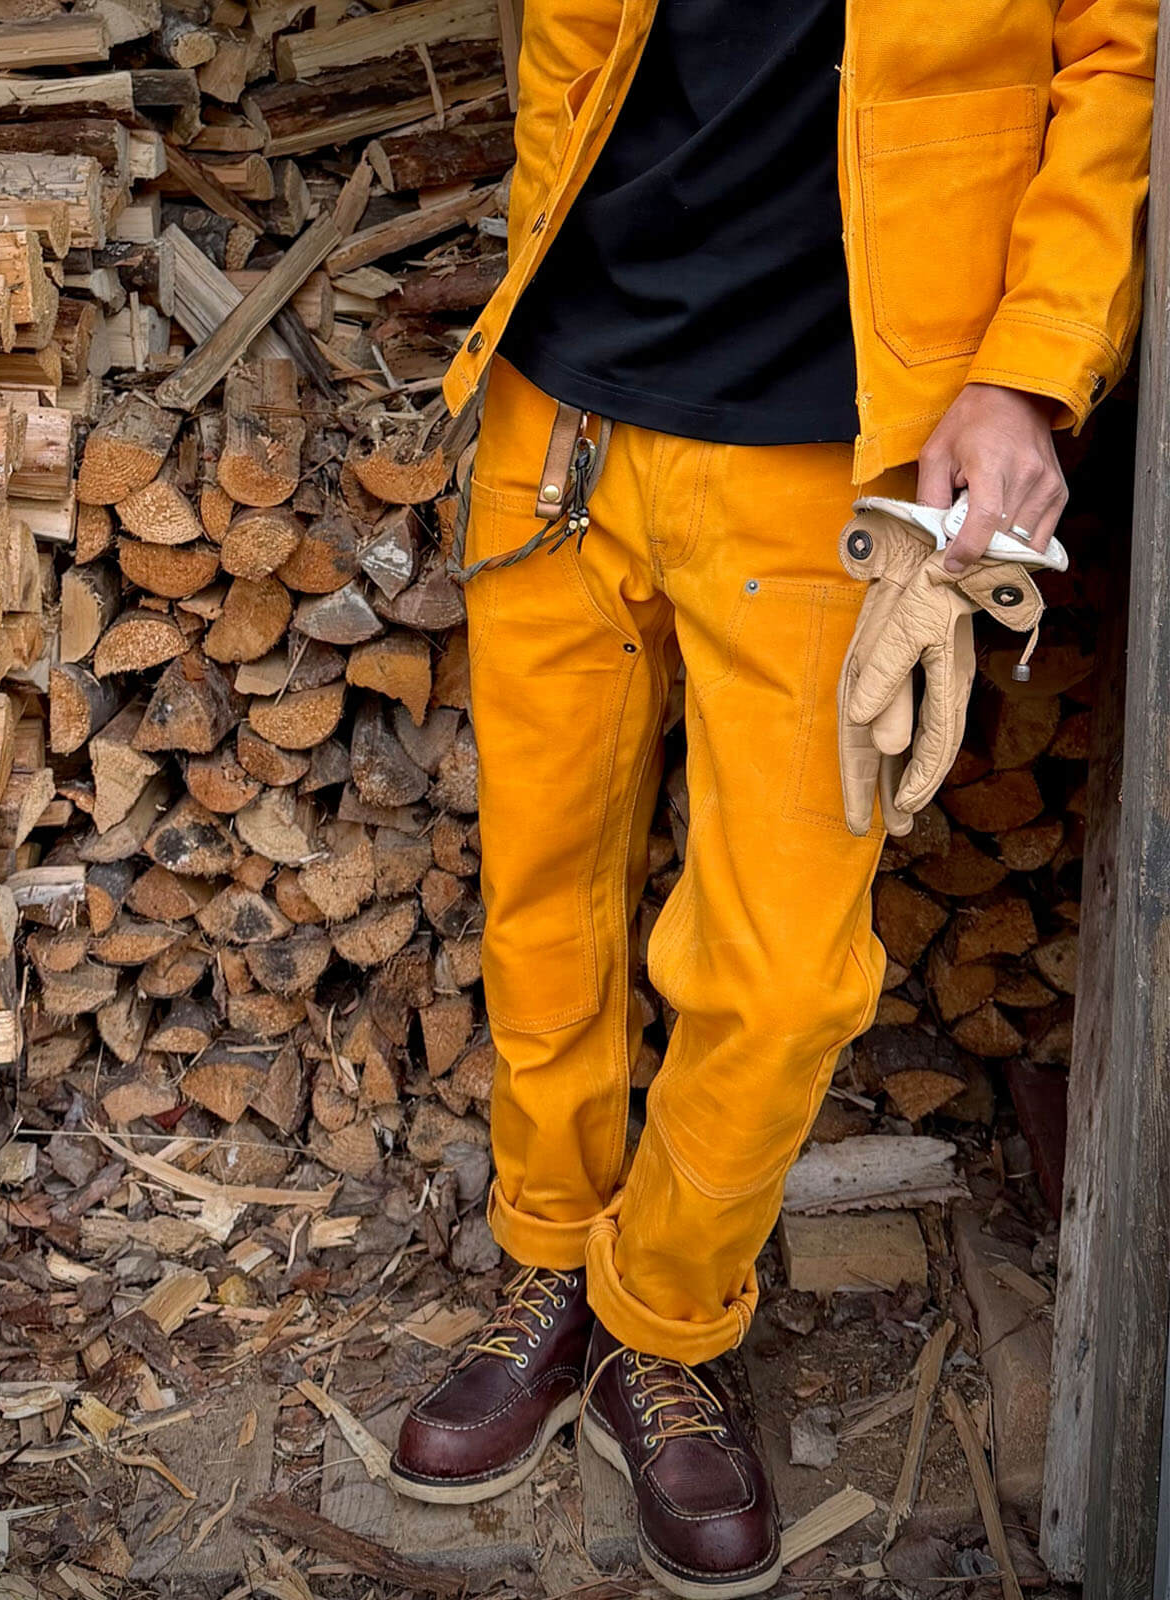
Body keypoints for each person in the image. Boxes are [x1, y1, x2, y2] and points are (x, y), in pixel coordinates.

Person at [389, 0, 1156, 1592]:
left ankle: (660, 1319)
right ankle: (549, 1258)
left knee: (788, 972)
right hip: (562, 413)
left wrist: (1027, 370)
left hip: (838, 450)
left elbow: (1115, 60)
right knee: (541, 897)